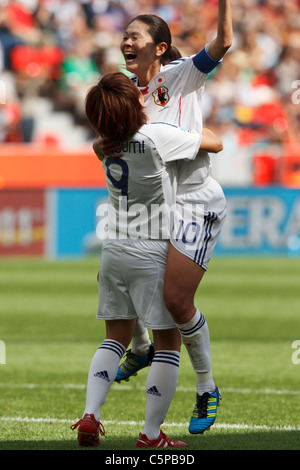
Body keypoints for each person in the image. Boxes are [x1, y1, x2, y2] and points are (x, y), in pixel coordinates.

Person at [93, 1, 233, 435]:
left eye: (136, 36)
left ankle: (207, 387)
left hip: (194, 199)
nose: (126, 42)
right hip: (156, 205)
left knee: (175, 301)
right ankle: (138, 348)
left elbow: (224, 42)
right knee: (121, 273)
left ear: (160, 47)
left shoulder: (183, 74)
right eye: (125, 36)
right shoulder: (126, 91)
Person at [70, 72, 223, 447]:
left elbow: (107, 139)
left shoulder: (102, 146)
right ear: (133, 104)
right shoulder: (158, 136)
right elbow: (215, 143)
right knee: (168, 346)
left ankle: (91, 415)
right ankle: (151, 436)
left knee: (113, 340)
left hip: (113, 249)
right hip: (151, 248)